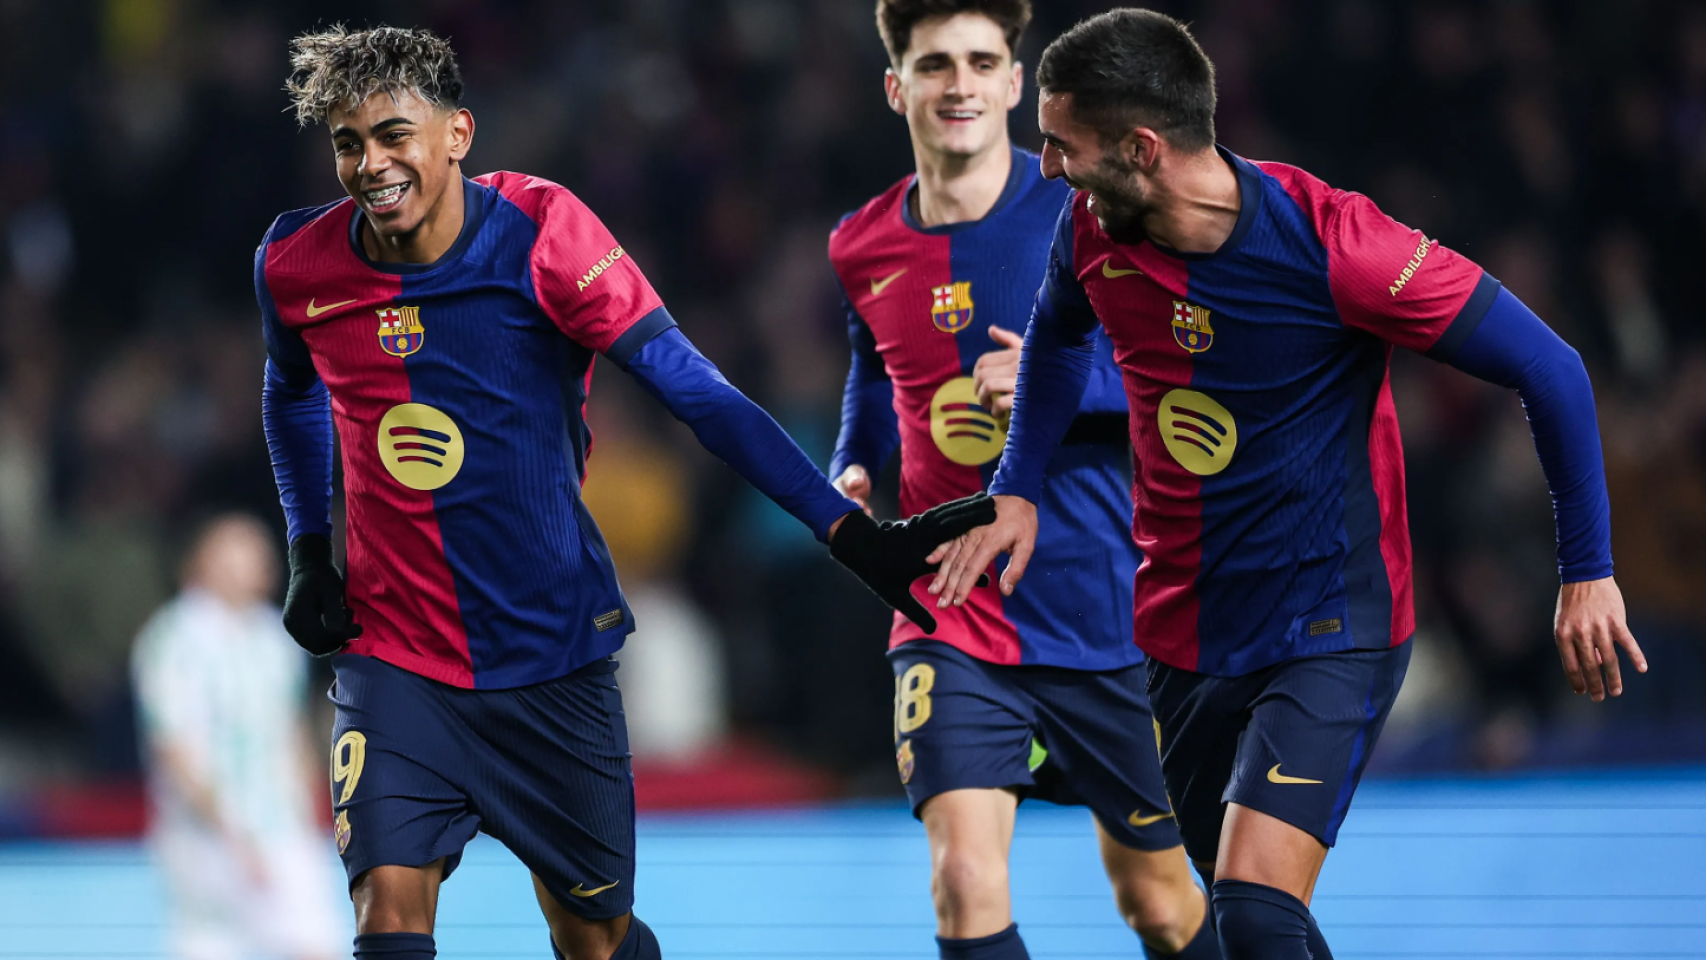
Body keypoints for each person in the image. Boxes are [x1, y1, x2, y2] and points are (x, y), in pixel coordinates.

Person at [927, 9, 1647, 960]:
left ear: (1143, 148)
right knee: (1244, 925)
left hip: (1330, 620)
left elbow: (1551, 368)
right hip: (1182, 632)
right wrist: (1017, 485)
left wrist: (1586, 569)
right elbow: (1058, 338)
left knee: (1256, 904)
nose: (1049, 169)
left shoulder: (1339, 246)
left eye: (1064, 145)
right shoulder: (1093, 227)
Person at [260, 26, 992, 960]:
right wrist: (308, 550)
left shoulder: (544, 235)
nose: (371, 165)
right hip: (396, 657)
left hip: (549, 656)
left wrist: (849, 534)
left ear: (457, 133)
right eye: (349, 144)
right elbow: (290, 395)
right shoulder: (295, 265)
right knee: (387, 918)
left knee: (594, 938)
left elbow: (700, 396)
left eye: (394, 135)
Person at [828, 4, 1219, 959]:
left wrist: (1069, 385)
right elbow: (876, 369)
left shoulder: (1093, 215)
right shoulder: (861, 244)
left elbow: (1195, 369)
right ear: (898, 87)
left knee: (1161, 903)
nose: (958, 83)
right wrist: (854, 460)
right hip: (951, 601)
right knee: (964, 881)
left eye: (981, 62)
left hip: (1104, 604)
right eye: (933, 65)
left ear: (1015, 85)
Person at [132, 514, 344, 960]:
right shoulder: (174, 639)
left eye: (259, 550)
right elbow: (174, 749)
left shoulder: (275, 637)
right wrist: (233, 836)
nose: (257, 560)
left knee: (316, 944)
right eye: (238, 549)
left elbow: (291, 734)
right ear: (203, 561)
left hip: (283, 830)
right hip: (207, 840)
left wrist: (306, 821)